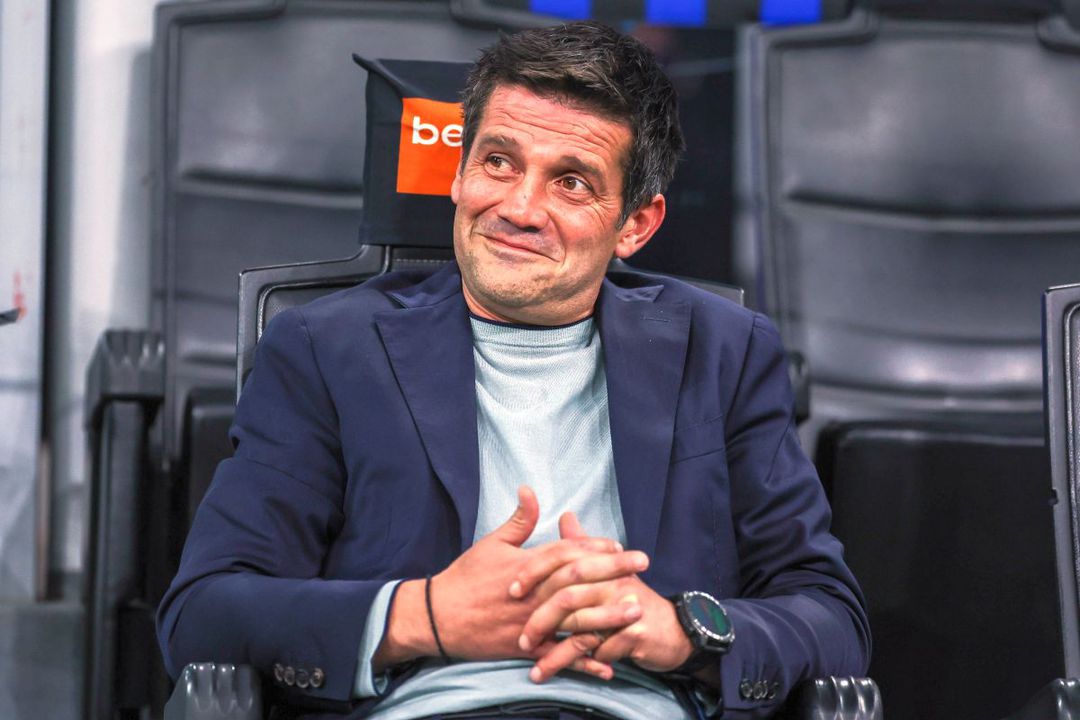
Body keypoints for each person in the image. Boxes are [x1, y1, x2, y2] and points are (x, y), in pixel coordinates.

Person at [157, 20, 870, 720]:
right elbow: (204, 612)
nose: (520, 208)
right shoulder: (326, 347)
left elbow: (831, 617)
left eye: (571, 182)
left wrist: (682, 632)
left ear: (635, 224)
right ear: (459, 173)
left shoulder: (724, 351)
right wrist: (422, 615)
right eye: (498, 162)